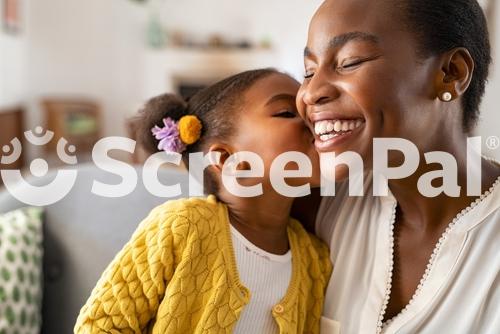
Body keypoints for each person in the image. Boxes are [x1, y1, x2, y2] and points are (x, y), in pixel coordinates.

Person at [294, 0, 500, 333]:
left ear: (451, 73)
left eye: (350, 61)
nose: (311, 92)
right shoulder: (322, 206)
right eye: (308, 71)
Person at [74, 69, 332, 334]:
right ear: (227, 160)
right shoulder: (181, 226)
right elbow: (100, 326)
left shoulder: (315, 260)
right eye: (287, 113)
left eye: (308, 110)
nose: (314, 120)